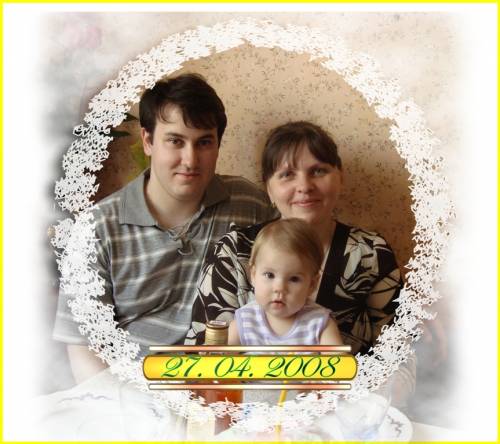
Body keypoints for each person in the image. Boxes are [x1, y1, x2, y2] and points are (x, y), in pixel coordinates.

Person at [53, 73, 276, 383]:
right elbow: (84, 350)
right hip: (134, 392)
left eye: (204, 142)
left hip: (227, 385)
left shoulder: (250, 205)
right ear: (148, 141)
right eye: (175, 141)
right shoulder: (95, 230)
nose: (190, 160)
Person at [186, 121, 402, 355]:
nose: (305, 186)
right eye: (287, 174)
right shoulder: (234, 251)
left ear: (340, 177)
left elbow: (401, 351)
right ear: (268, 188)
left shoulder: (371, 253)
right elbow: (205, 355)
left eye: (318, 171)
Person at [228, 218, 343, 346]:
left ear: (312, 284)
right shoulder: (244, 322)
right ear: (253, 275)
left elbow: (338, 359)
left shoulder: (320, 324)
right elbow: (220, 357)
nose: (279, 288)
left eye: (294, 279)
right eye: (269, 275)